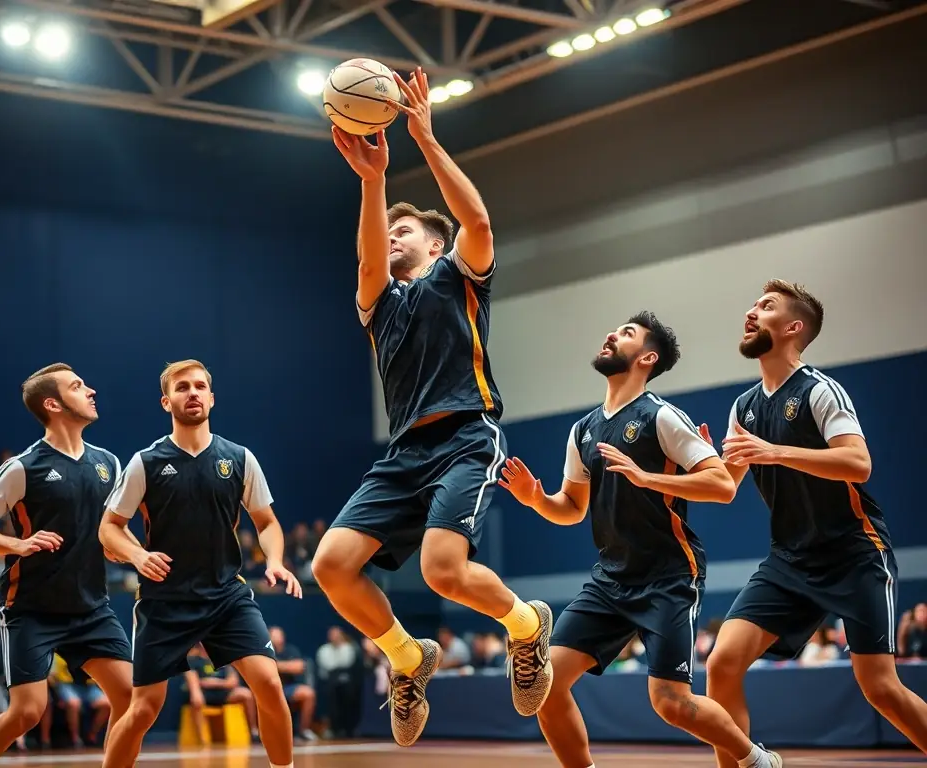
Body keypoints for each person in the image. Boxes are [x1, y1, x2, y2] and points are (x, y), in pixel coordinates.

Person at [312, 66, 552, 748]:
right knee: (330, 564)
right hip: (405, 452)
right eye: (387, 231)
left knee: (441, 572)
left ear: (435, 245)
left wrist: (421, 136)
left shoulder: (458, 277)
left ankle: (526, 626)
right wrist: (371, 179)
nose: (392, 236)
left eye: (405, 231)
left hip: (466, 437)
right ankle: (407, 654)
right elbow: (366, 266)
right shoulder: (379, 304)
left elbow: (476, 217)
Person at [500, 313, 783, 768]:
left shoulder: (662, 417)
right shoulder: (584, 430)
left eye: (626, 333)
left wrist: (645, 477)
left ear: (647, 358)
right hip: (610, 579)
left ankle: (755, 759)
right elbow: (571, 509)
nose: (611, 334)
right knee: (545, 685)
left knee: (669, 701)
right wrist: (536, 499)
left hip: (668, 576)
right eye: (614, 330)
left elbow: (722, 485)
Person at [705, 280, 927, 763]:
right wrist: (679, 469)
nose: (750, 311)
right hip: (789, 560)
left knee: (881, 688)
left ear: (793, 327)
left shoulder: (820, 390)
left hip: (854, 552)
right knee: (721, 662)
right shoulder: (743, 408)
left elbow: (858, 463)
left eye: (765, 307)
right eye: (752, 304)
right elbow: (725, 486)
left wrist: (775, 451)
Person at [98, 359, 301, 768]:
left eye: (199, 386)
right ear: (166, 401)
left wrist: (275, 560)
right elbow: (109, 528)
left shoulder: (240, 458)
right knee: (143, 710)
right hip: (165, 601)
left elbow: (267, 522)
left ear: (211, 397)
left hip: (226, 595)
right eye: (182, 387)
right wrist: (138, 555)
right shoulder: (146, 462)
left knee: (268, 684)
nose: (192, 392)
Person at [0, 363, 133, 768]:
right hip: (31, 609)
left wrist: (137, 554)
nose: (90, 390)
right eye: (77, 386)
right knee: (27, 713)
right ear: (52, 404)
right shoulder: (23, 467)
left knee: (132, 698)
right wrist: (18, 543)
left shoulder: (109, 463)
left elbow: (112, 533)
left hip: (91, 607)